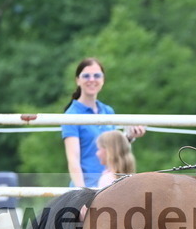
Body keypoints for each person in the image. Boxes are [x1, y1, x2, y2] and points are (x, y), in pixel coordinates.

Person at [61, 58, 145, 187]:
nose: (92, 79)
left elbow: (112, 148)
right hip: (87, 187)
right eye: (86, 76)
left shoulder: (107, 111)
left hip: (108, 185)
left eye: (97, 75)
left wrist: (129, 136)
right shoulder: (71, 115)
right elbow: (73, 160)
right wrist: (81, 193)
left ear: (103, 79)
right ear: (78, 80)